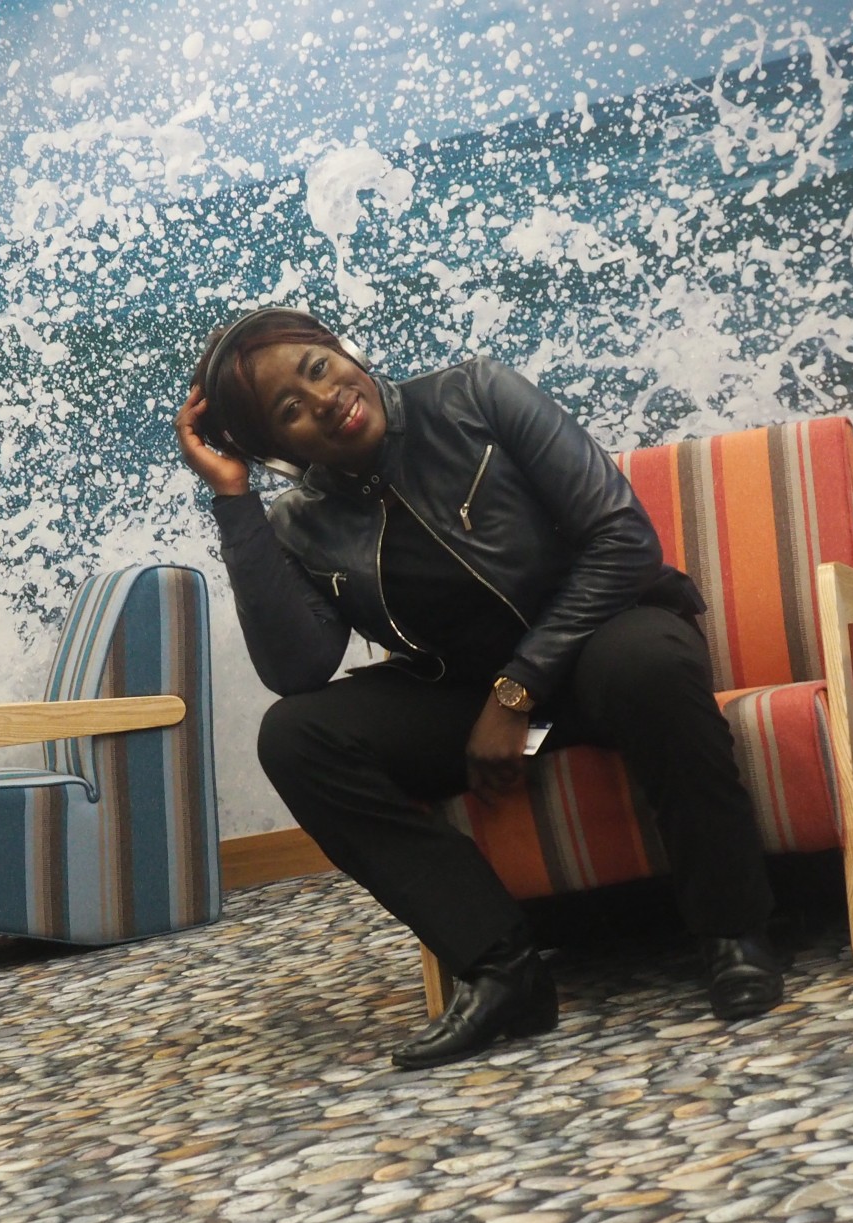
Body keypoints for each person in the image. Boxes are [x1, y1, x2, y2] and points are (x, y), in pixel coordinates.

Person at [175, 308, 790, 1069]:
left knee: (648, 664)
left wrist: (514, 693)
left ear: (341, 349)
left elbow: (623, 539)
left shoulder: (474, 396)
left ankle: (733, 933)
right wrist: (235, 501)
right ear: (276, 448)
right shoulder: (302, 523)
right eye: (290, 411)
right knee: (296, 737)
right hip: (474, 706)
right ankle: (501, 968)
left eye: (318, 368)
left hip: (603, 652)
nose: (326, 400)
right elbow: (295, 670)